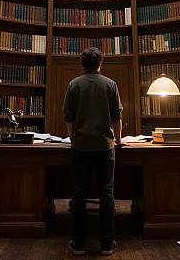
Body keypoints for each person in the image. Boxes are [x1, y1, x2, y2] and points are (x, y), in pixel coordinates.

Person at [63, 47, 123, 256]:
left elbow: (68, 117)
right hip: (105, 146)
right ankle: (107, 243)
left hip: (80, 146)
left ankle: (78, 243)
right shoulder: (110, 84)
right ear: (100, 63)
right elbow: (117, 117)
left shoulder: (73, 85)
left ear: (82, 64)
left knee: (79, 192)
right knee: (107, 192)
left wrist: (73, 138)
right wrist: (119, 139)